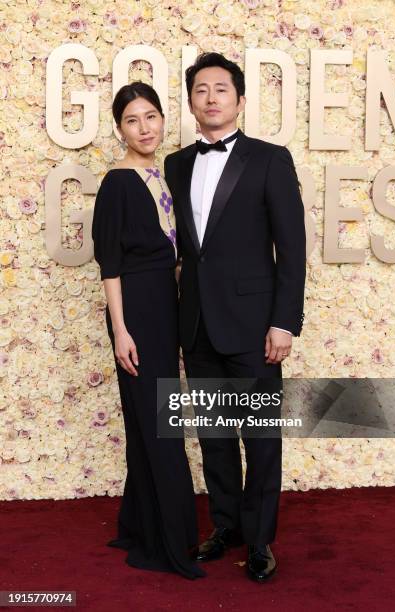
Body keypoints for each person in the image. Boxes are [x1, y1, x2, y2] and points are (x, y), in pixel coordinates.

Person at [164, 53, 306, 582]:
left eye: (221, 89)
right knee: (215, 436)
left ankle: (262, 539)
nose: (211, 98)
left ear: (239, 100)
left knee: (261, 438)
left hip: (255, 325)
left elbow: (291, 248)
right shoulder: (176, 165)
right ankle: (226, 526)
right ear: (192, 102)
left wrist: (284, 322)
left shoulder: (270, 158)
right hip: (196, 323)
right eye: (201, 90)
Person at [91, 81, 205, 580]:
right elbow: (109, 264)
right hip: (135, 310)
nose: (145, 128)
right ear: (120, 129)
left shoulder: (163, 175)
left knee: (150, 421)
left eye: (152, 117)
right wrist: (121, 329)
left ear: (163, 120)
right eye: (133, 120)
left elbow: (174, 252)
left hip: (165, 304)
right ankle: (171, 543)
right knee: (161, 423)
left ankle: (143, 524)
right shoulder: (117, 182)